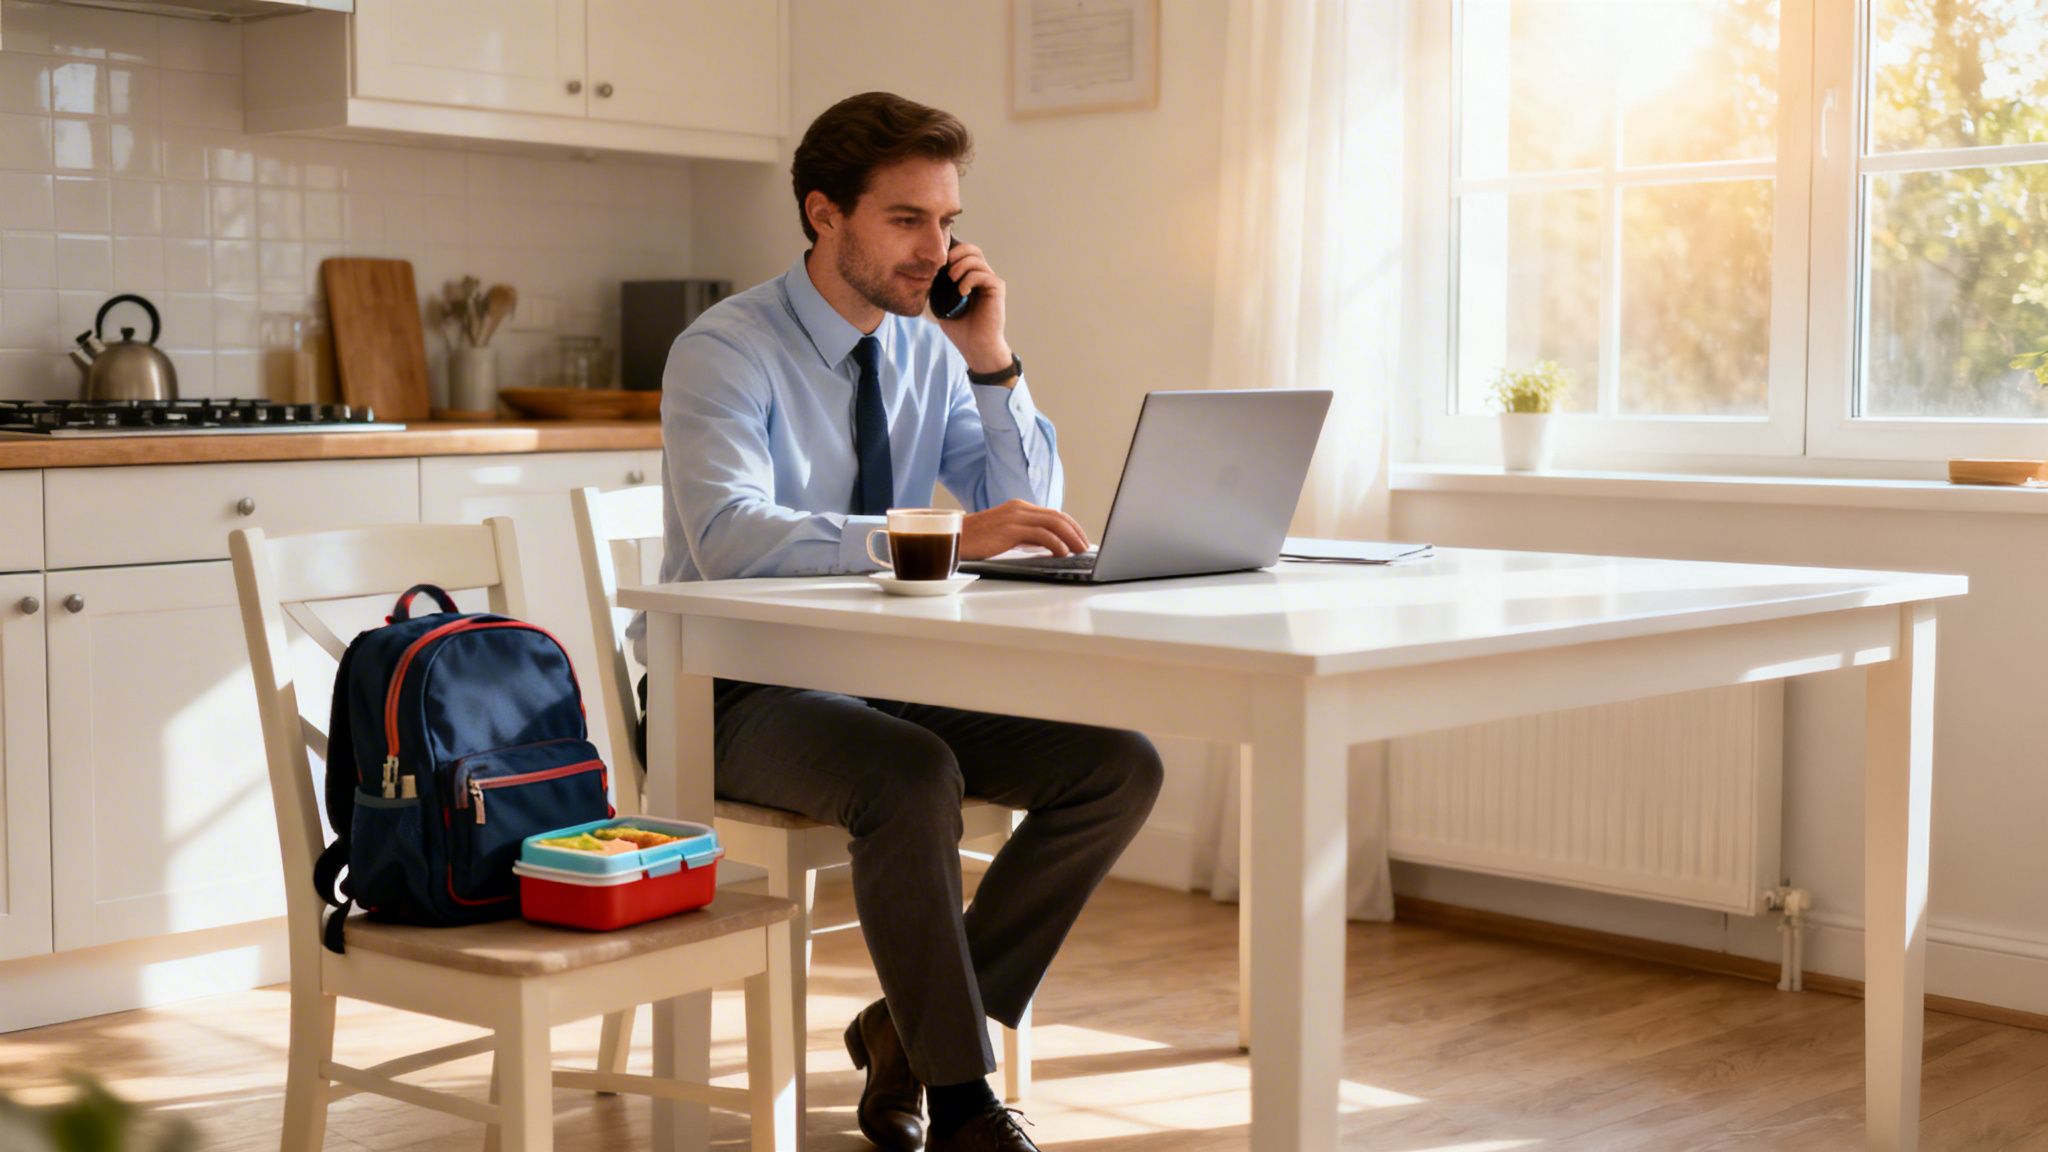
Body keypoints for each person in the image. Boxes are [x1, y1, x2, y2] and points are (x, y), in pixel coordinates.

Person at [628, 92, 1163, 1152]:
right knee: (910, 775)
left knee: (1118, 767)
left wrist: (993, 359)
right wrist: (943, 539)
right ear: (824, 215)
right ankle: (962, 1100)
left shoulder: (929, 347)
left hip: (877, 679)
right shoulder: (724, 348)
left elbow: (1030, 506)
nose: (938, 248)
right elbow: (733, 535)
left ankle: (902, 1034)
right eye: (907, 220)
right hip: (732, 692)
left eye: (948, 221)